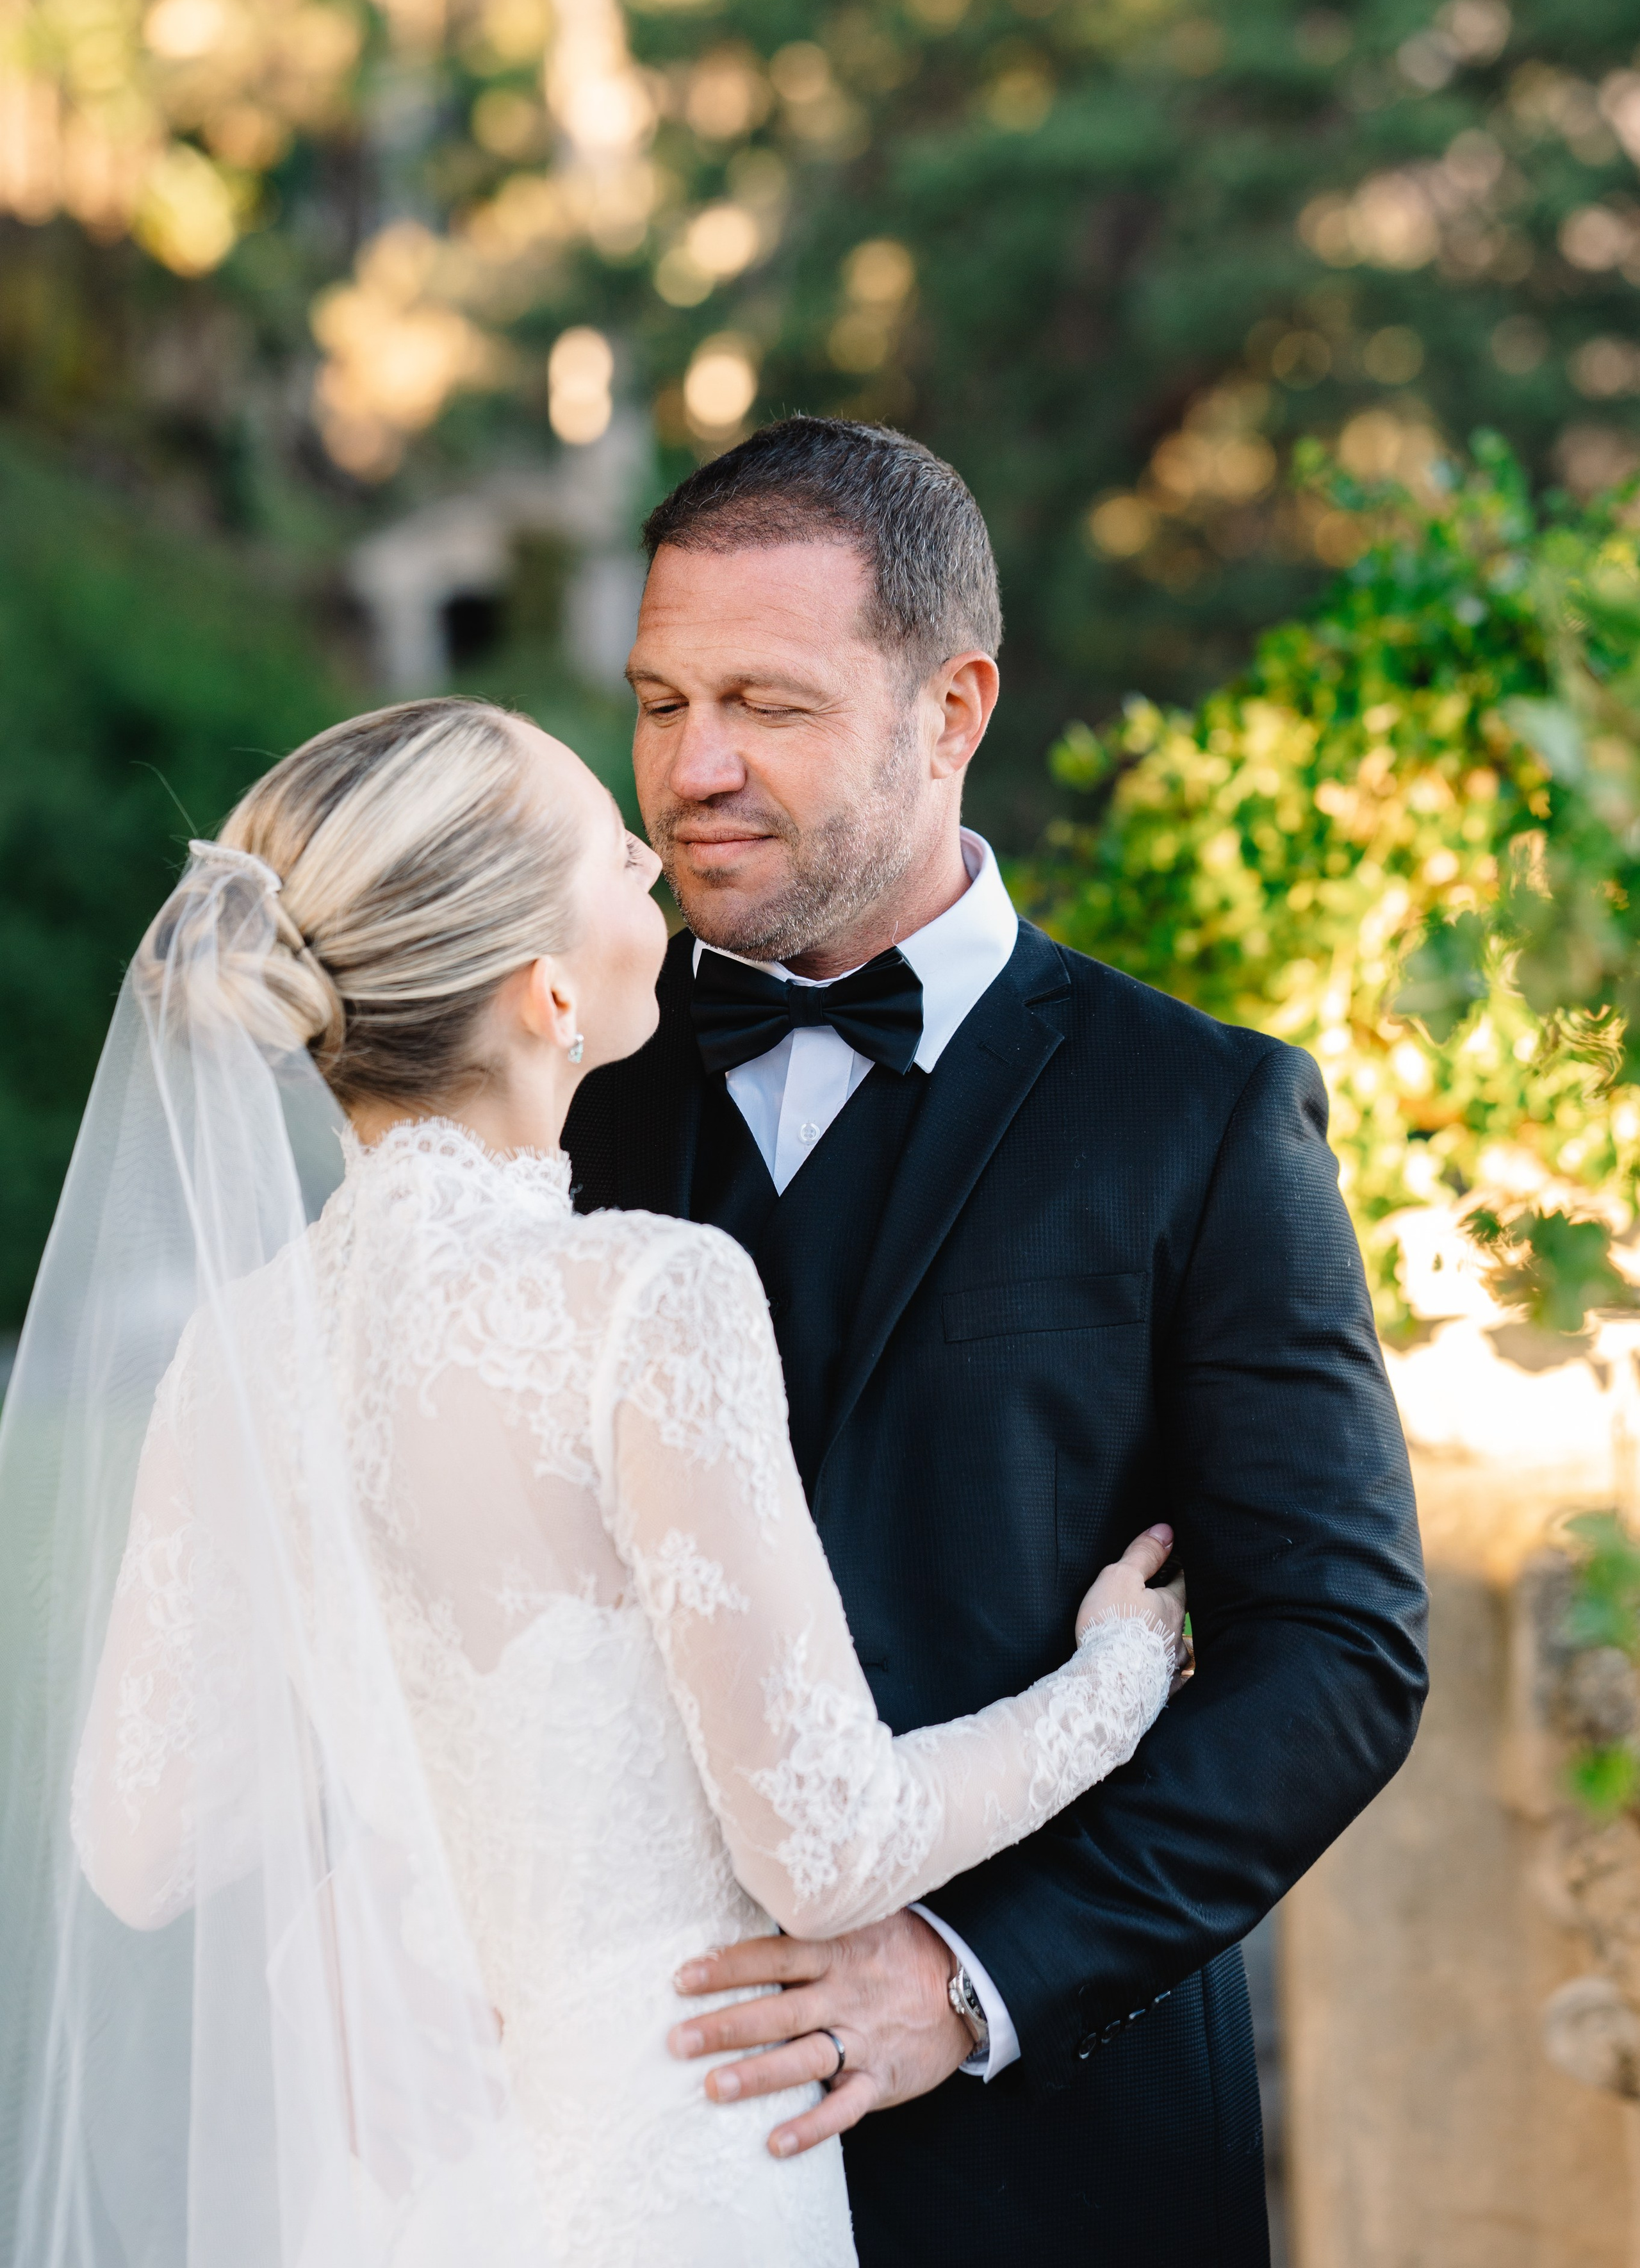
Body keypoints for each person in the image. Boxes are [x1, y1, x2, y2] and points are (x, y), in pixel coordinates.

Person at [0, 694, 1187, 2268]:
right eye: (604, 852)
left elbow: (138, 1845)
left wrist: (351, 1891)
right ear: (548, 990)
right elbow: (827, 1841)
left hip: (401, 2186)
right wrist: (1118, 1675)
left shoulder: (238, 1348)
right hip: (670, 2158)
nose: (648, 852)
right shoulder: (643, 1296)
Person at [563, 415, 1430, 2264]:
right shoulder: (556, 1101)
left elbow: (1340, 1654)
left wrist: (967, 1976)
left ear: (952, 708)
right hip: (615, 2139)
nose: (691, 769)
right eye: (658, 700)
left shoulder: (1197, 1116)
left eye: (767, 706)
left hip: (1057, 2158)